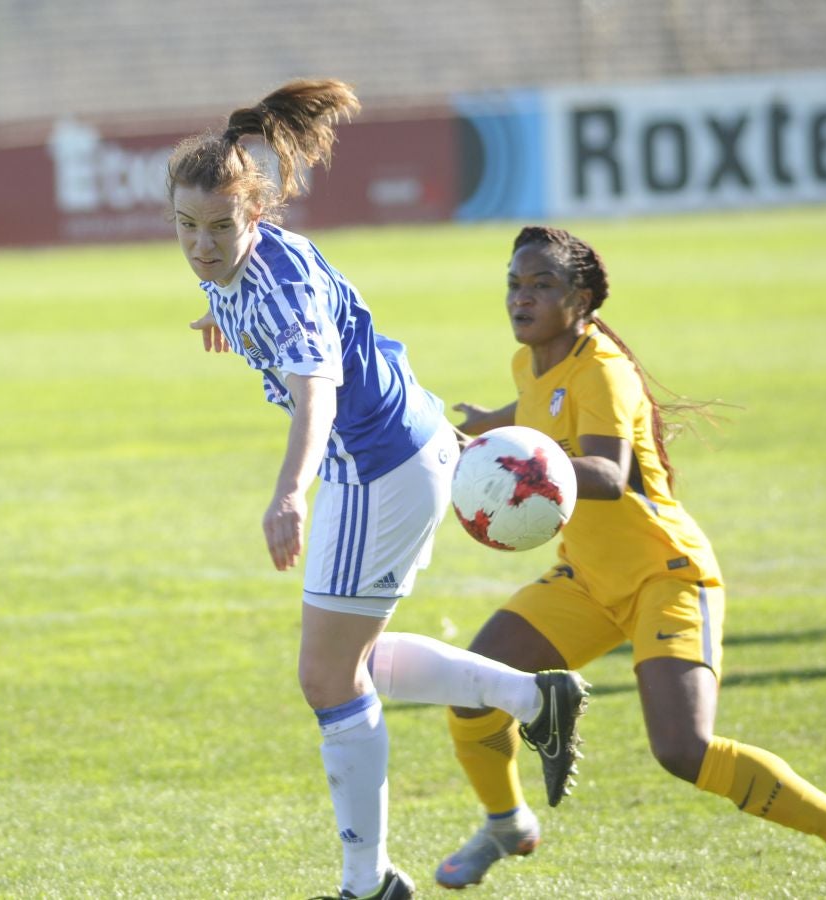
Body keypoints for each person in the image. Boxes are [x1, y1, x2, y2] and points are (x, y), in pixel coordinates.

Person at [166, 81, 588, 900]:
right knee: (355, 665)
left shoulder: (276, 283)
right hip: (402, 448)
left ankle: (368, 884)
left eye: (220, 228)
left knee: (327, 679)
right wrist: (222, 316)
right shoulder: (240, 257)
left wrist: (290, 493)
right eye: (187, 227)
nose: (203, 246)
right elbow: (247, 294)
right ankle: (529, 697)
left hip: (376, 465)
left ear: (256, 214)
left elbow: (317, 387)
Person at [435, 225, 826, 898]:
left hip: (666, 575)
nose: (521, 298)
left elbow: (605, 469)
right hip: (588, 578)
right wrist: (489, 426)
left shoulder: (603, 369)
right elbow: (538, 408)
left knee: (683, 750)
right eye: (514, 283)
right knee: (471, 687)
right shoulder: (530, 361)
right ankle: (507, 823)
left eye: (541, 285)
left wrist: (516, 468)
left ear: (582, 298)